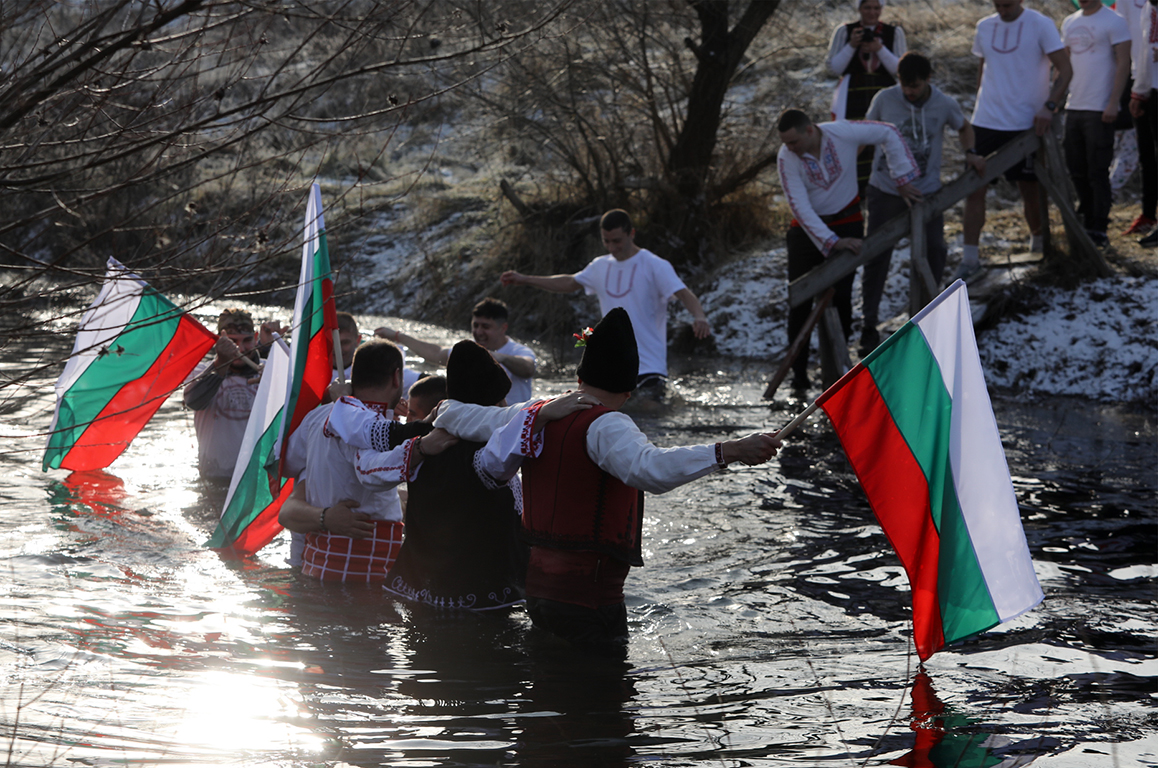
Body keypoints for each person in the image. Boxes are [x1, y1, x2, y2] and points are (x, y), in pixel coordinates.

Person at [430, 308, 781, 658]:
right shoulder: (607, 425)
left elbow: (465, 414)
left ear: (581, 377)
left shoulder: (540, 411)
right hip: (588, 599)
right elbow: (652, 469)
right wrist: (729, 450)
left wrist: (441, 411)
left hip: (536, 594)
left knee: (546, 694)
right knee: (602, 702)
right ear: (629, 389)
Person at [775, 109, 921, 389]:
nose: (789, 147)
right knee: (800, 302)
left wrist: (901, 178)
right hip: (806, 231)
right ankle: (799, 376)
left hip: (848, 222)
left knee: (841, 298)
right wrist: (830, 241)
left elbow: (888, 130)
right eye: (785, 142)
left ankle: (838, 372)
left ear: (809, 130)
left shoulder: (842, 131)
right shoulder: (786, 157)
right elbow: (799, 206)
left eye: (793, 141)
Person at [280, 339, 444, 582]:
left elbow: (287, 465)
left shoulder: (317, 417)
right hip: (363, 561)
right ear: (397, 377)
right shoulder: (364, 425)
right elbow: (370, 474)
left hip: (316, 560)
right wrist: (421, 446)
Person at [380, 341, 528, 611]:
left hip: (419, 592)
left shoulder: (419, 448)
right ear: (488, 405)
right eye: (500, 401)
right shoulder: (490, 455)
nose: (505, 406)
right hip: (481, 600)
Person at [500, 209, 711, 398]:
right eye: (606, 241)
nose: (612, 247)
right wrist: (525, 279)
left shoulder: (654, 265)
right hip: (613, 367)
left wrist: (699, 316)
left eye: (617, 241)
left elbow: (683, 293)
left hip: (649, 365)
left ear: (632, 234)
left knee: (650, 419)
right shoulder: (599, 266)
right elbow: (569, 282)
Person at [861, 52, 986, 355]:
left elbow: (964, 126)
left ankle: (925, 316)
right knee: (877, 255)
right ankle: (868, 324)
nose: (909, 92)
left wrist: (970, 152)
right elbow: (865, 132)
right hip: (886, 189)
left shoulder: (944, 103)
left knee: (935, 249)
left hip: (927, 192)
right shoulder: (885, 99)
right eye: (905, 85)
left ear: (928, 79)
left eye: (915, 86)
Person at [958, 0, 1072, 279]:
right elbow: (983, 68)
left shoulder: (1040, 24)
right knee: (974, 188)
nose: (1002, 7)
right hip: (985, 121)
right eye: (998, 3)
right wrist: (979, 102)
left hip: (1026, 122)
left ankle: (1039, 247)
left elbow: (1065, 70)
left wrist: (1050, 106)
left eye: (1008, 2)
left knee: (1031, 190)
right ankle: (969, 259)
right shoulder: (984, 26)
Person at [1062, 0, 1132, 248]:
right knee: (1076, 168)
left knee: (1098, 170)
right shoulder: (1069, 22)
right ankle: (1087, 215)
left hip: (1100, 107)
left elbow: (1124, 63)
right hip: (1074, 106)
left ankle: (1099, 226)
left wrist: (1113, 102)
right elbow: (1064, 64)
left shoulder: (1115, 21)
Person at [375, 297, 536, 403]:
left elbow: (528, 369)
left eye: (486, 327)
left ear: (503, 328)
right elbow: (436, 353)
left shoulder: (518, 350)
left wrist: (500, 358)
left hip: (514, 423)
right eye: (475, 325)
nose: (479, 332)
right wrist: (397, 336)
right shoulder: (469, 351)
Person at [183, 309, 280, 480]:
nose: (240, 349)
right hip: (215, 476)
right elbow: (193, 401)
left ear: (256, 337)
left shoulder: (271, 370)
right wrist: (220, 364)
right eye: (232, 342)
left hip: (256, 479)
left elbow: (294, 413)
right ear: (219, 341)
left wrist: (275, 379)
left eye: (247, 340)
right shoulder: (201, 370)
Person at [827, 0, 908, 195]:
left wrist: (879, 49)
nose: (872, 13)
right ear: (859, 9)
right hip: (853, 94)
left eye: (876, 8)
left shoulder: (894, 33)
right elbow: (833, 68)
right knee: (853, 138)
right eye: (867, 8)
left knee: (883, 139)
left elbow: (901, 69)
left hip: (884, 94)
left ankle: (884, 188)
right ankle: (855, 190)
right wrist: (852, 45)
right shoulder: (845, 32)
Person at [1119, 0, 1158, 239]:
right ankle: (1148, 214)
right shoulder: (1149, 8)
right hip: (1151, 89)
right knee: (1148, 155)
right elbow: (1144, 52)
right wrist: (1139, 91)